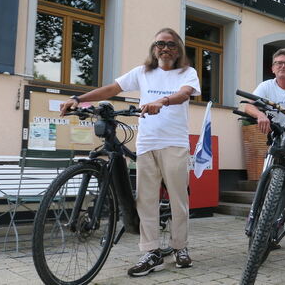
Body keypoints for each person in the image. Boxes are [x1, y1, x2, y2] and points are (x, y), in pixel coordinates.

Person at [60, 28, 201, 277]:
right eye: (160, 43)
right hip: (147, 144)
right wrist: (77, 99)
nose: (165, 48)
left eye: (170, 44)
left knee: (179, 199)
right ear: (154, 48)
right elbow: (112, 89)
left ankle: (180, 247)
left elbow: (184, 94)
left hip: (174, 143)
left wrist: (162, 101)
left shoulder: (186, 73)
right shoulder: (143, 72)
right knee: (145, 201)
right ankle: (151, 252)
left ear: (178, 49)